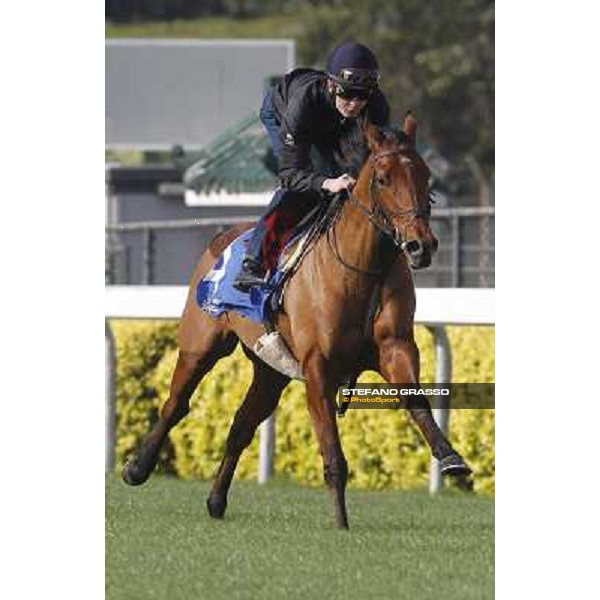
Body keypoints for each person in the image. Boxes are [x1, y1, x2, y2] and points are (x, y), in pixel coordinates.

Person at [233, 40, 390, 291]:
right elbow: (290, 174)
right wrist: (327, 183)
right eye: (347, 94)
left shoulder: (376, 106)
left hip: (329, 122)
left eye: (362, 96)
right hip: (282, 112)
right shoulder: (302, 106)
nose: (354, 103)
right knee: (307, 182)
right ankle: (254, 262)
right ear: (331, 85)